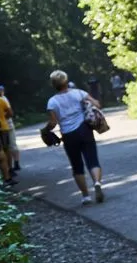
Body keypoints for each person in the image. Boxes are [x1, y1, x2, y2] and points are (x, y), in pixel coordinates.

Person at [43, 70, 105, 205]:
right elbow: (97, 105)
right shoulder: (79, 93)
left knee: (77, 166)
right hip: (85, 130)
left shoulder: (52, 102)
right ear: (66, 81)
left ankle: (86, 196)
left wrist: (45, 130)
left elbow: (53, 123)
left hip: (68, 135)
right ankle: (97, 183)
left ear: (53, 84)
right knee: (92, 160)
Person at [0, 84, 20, 173]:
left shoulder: (3, 99)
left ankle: (15, 163)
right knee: (8, 147)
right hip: (3, 126)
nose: (1, 92)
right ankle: (11, 166)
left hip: (7, 125)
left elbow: (9, 113)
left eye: (2, 90)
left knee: (11, 146)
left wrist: (1, 117)